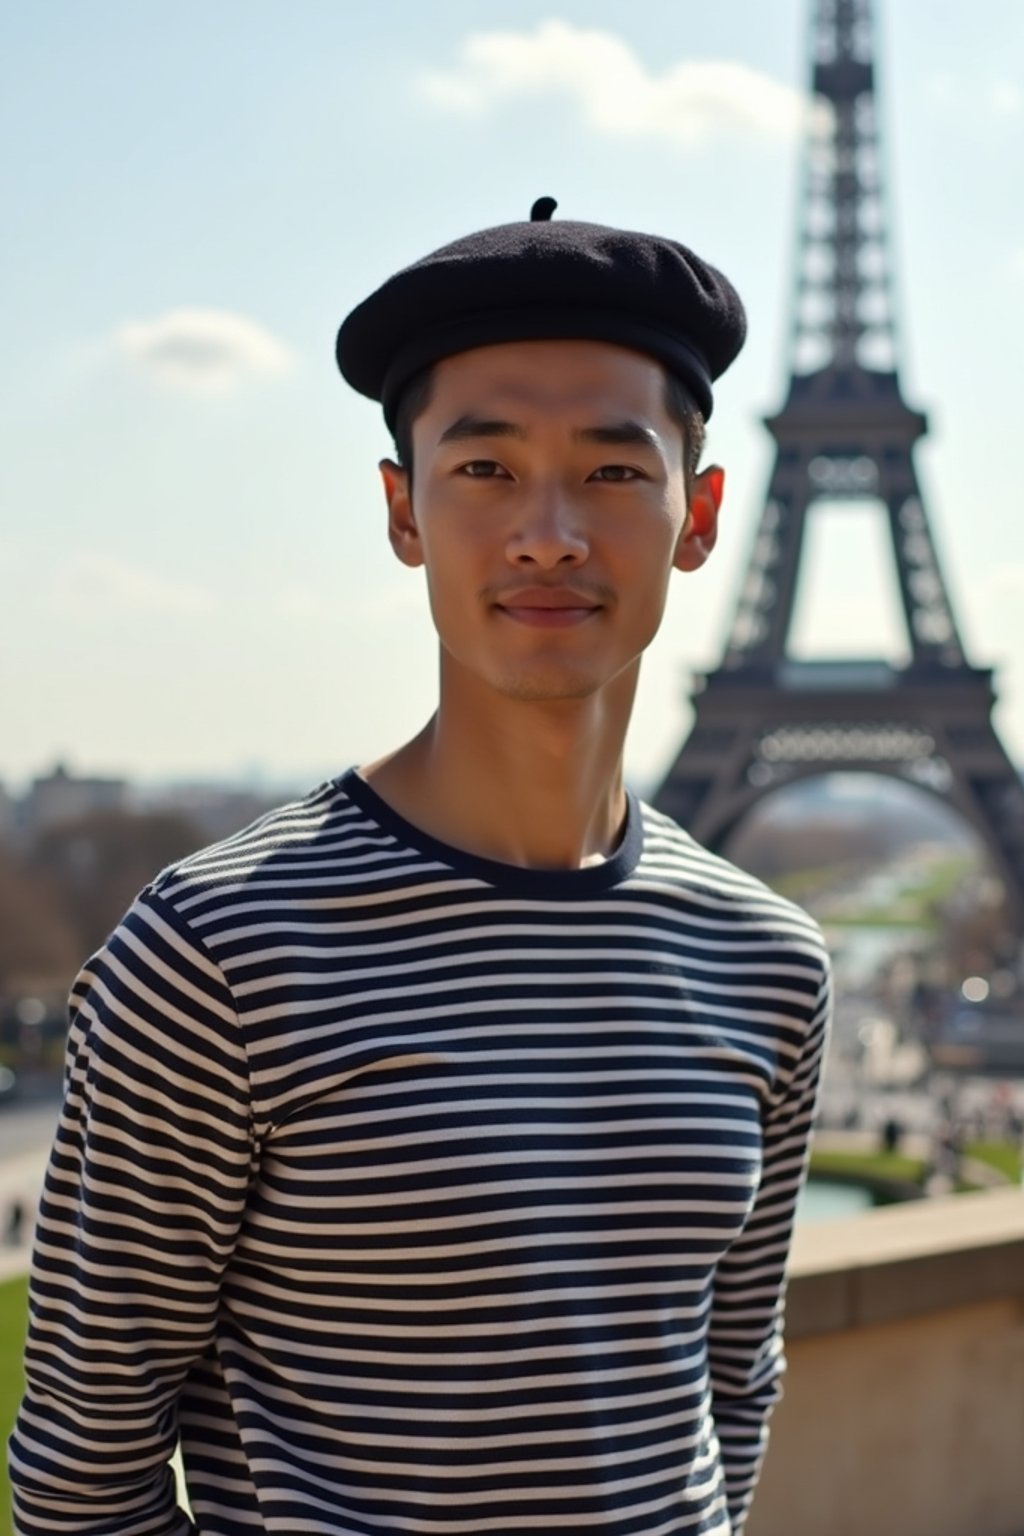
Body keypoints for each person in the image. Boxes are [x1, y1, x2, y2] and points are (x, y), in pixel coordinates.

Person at [9, 199, 831, 1536]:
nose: (549, 533)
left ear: (703, 513)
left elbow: (731, 1386)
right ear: (402, 509)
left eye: (616, 471)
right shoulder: (217, 952)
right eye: (486, 468)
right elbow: (81, 1482)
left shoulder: (769, 961)